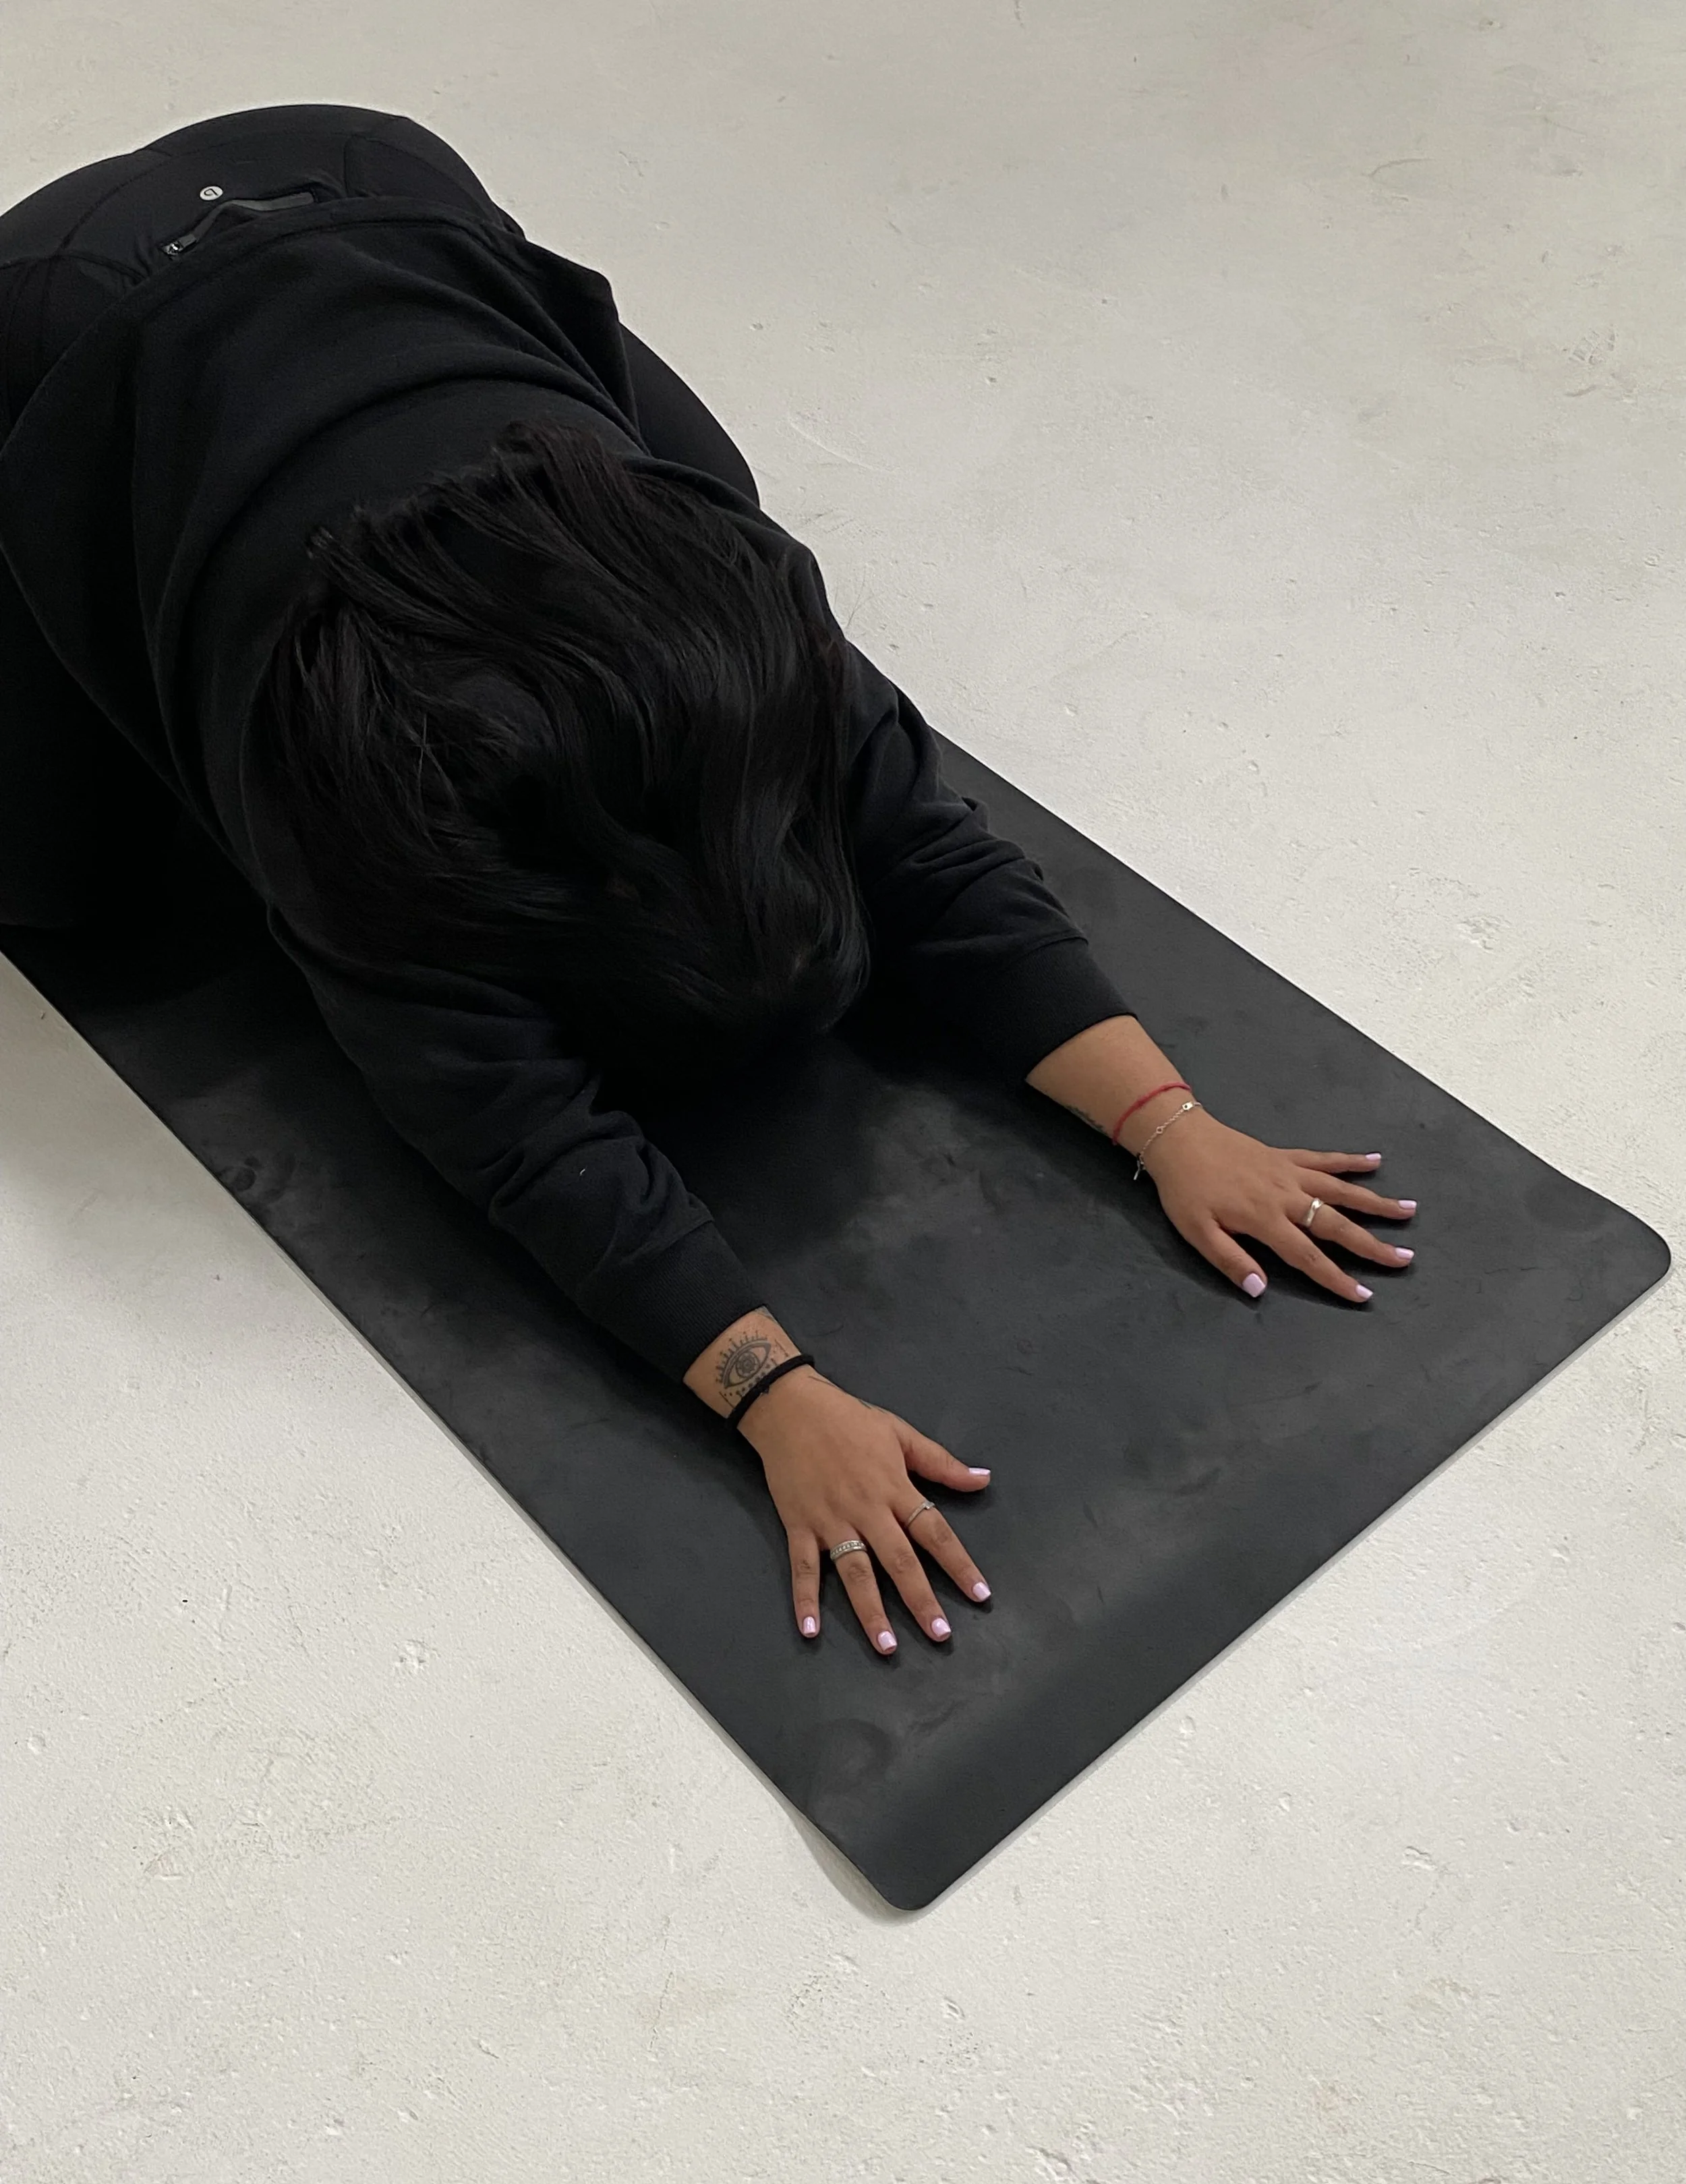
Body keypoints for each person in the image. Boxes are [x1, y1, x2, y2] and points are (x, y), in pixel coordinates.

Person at [0, 103, 1416, 1657]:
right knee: (83, 893)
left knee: (691, 469)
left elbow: (928, 856)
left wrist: (1175, 1126)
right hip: (50, 324)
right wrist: (777, 1400)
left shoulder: (749, 619)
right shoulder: (354, 803)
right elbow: (518, 1138)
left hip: (373, 186)